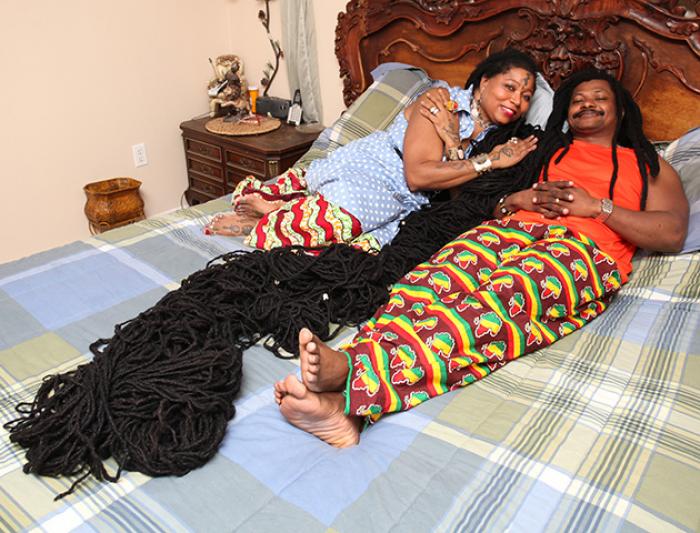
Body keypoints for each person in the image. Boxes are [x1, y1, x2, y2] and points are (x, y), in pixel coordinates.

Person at [273, 68, 689, 447]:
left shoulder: (648, 163)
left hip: (581, 249)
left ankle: (350, 393)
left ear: (620, 109)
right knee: (425, 285)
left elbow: (672, 232)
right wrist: (513, 199)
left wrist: (598, 207)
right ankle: (347, 378)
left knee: (485, 311)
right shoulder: (545, 150)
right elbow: (479, 195)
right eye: (577, 100)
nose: (586, 104)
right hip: (508, 230)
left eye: (598, 97)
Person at [204, 49, 539, 251]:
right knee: (340, 221)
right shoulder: (441, 101)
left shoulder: (500, 139)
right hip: (376, 170)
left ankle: (282, 209)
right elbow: (418, 175)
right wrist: (488, 161)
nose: (516, 100)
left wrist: (454, 144)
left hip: (406, 203)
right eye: (509, 87)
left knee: (362, 249)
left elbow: (458, 198)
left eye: (526, 97)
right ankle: (272, 217)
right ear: (484, 82)